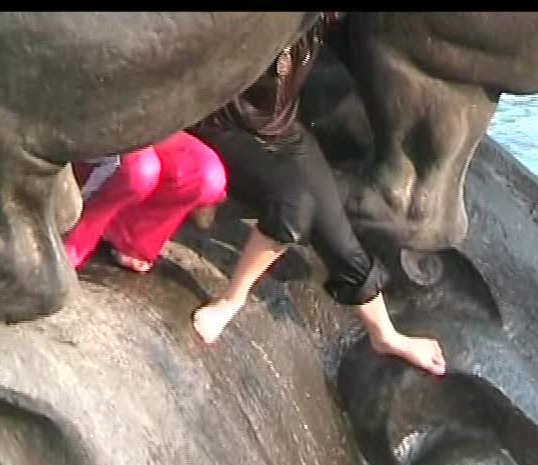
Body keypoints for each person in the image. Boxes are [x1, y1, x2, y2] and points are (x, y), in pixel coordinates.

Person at [189, 13, 446, 376]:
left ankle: (385, 336)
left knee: (339, 237)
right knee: (294, 202)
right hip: (222, 125)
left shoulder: (320, 19)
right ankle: (232, 300)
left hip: (283, 130)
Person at [64, 130, 227, 272]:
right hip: (98, 119)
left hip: (158, 122)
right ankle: (74, 227)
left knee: (209, 177)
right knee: (139, 171)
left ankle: (128, 232)